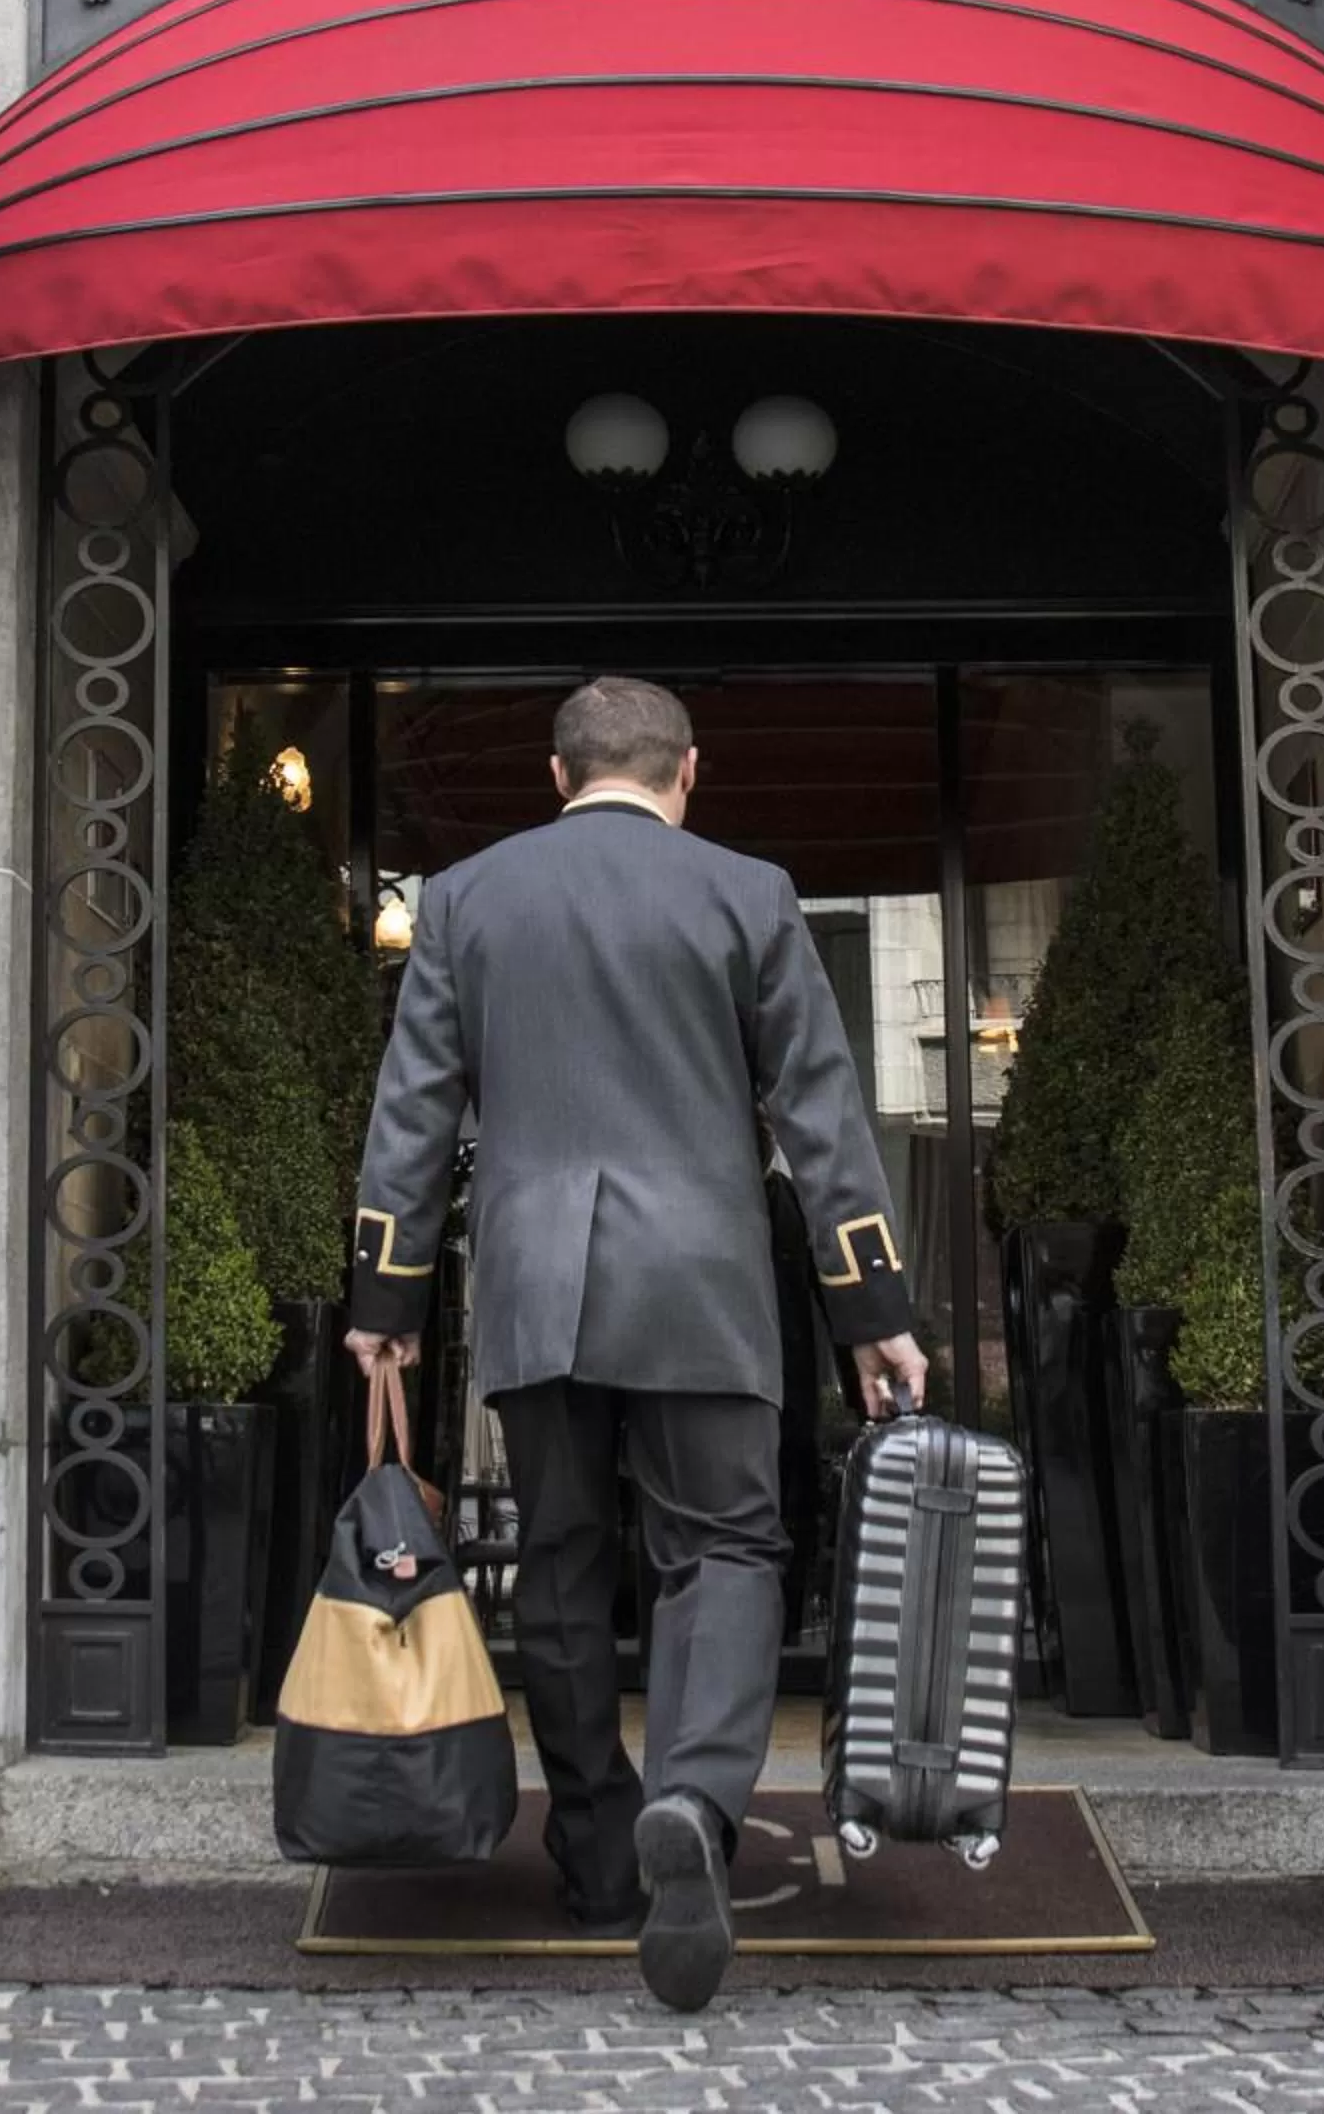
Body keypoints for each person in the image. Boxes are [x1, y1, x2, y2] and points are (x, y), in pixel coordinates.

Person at [344, 675, 927, 2011]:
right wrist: (875, 1313)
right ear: (689, 773)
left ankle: (599, 1858)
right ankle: (698, 1808)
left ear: (556, 777)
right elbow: (823, 1119)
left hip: (536, 1281)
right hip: (705, 1287)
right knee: (722, 1546)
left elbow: (412, 1115)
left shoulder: (467, 899)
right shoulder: (751, 894)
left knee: (555, 1562)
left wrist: (385, 1309)